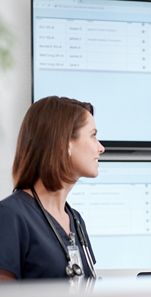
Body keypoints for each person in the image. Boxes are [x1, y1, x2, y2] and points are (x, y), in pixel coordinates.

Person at [0, 96, 105, 280]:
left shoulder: (75, 220)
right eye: (93, 135)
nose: (101, 148)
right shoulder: (10, 216)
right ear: (65, 143)